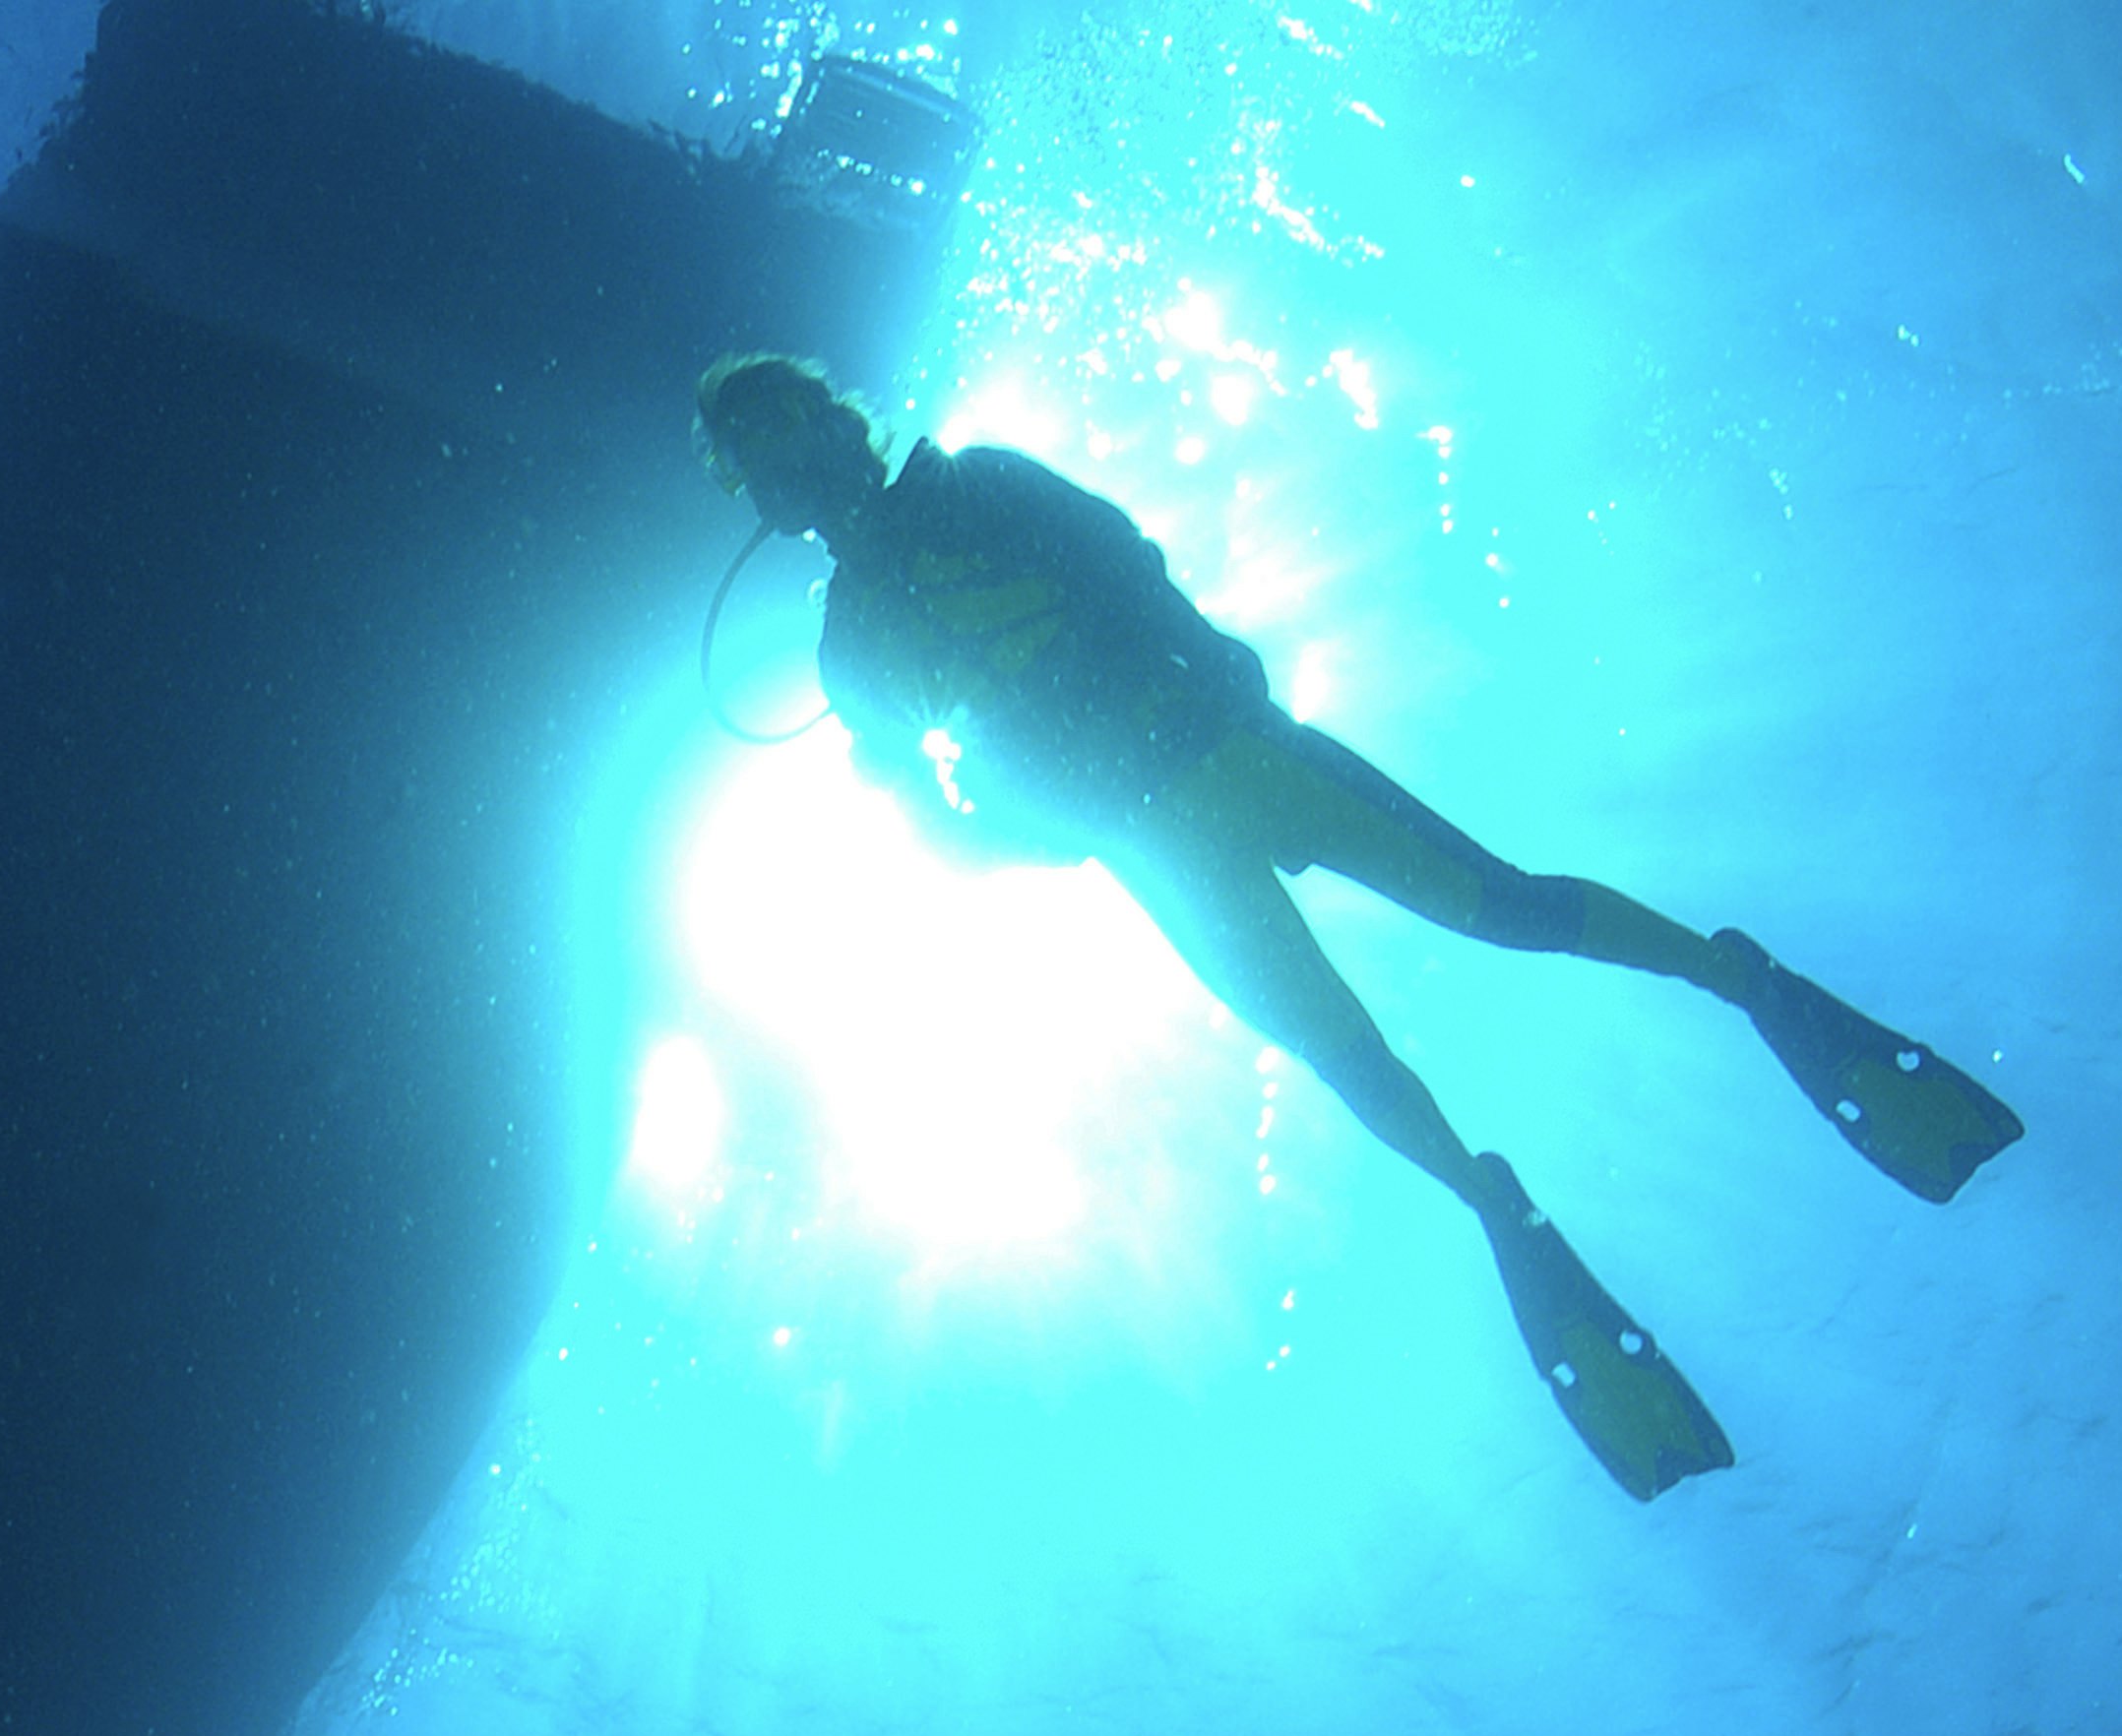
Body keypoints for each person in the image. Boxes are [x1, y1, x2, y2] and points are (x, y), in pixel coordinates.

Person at [690, 350, 2020, 1501]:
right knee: (1344, 1058)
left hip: (1228, 746)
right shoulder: (848, 651)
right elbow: (929, 814)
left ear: (833, 417)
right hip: (1154, 844)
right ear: (752, 495)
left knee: (1495, 906)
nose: (785, 466)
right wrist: (1035, 829)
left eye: (787, 427)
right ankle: (1490, 1199)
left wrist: (1187, 688)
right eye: (755, 460)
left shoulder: (972, 480)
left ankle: (1735, 977)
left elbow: (1125, 556)